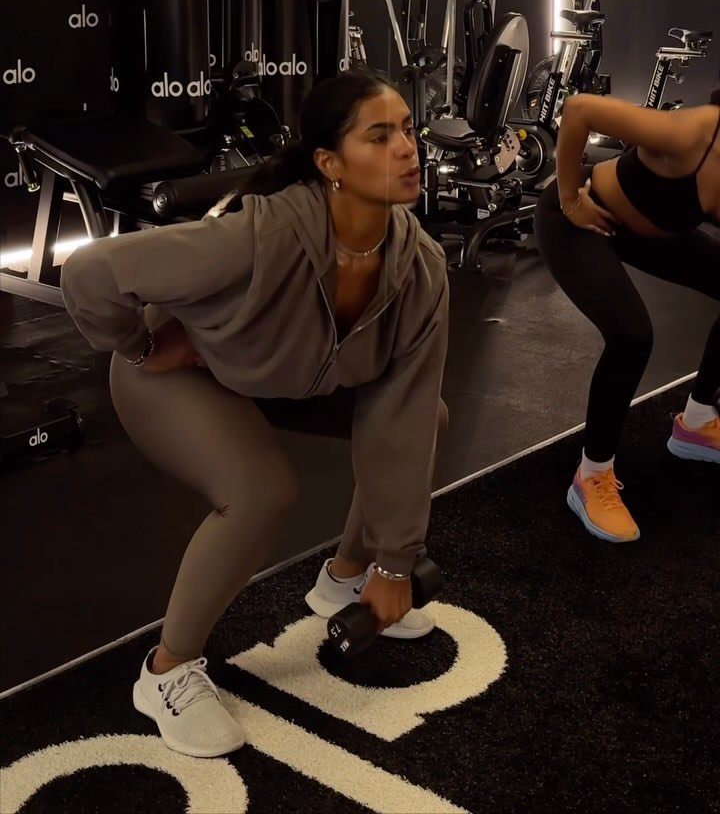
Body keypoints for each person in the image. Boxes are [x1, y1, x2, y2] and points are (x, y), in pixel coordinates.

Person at [60, 71, 449, 759]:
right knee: (263, 492)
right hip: (180, 376)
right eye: (379, 136)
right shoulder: (260, 238)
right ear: (329, 164)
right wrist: (142, 343)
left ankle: (344, 578)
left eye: (409, 131)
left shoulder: (419, 268)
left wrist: (395, 564)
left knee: (428, 419)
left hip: (282, 378)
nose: (406, 149)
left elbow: (404, 410)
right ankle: (167, 671)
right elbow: (92, 272)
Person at [534, 87, 720, 544]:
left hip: (648, 232)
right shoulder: (690, 133)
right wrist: (570, 199)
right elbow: (579, 109)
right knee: (632, 335)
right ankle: (591, 475)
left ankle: (697, 424)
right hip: (581, 218)